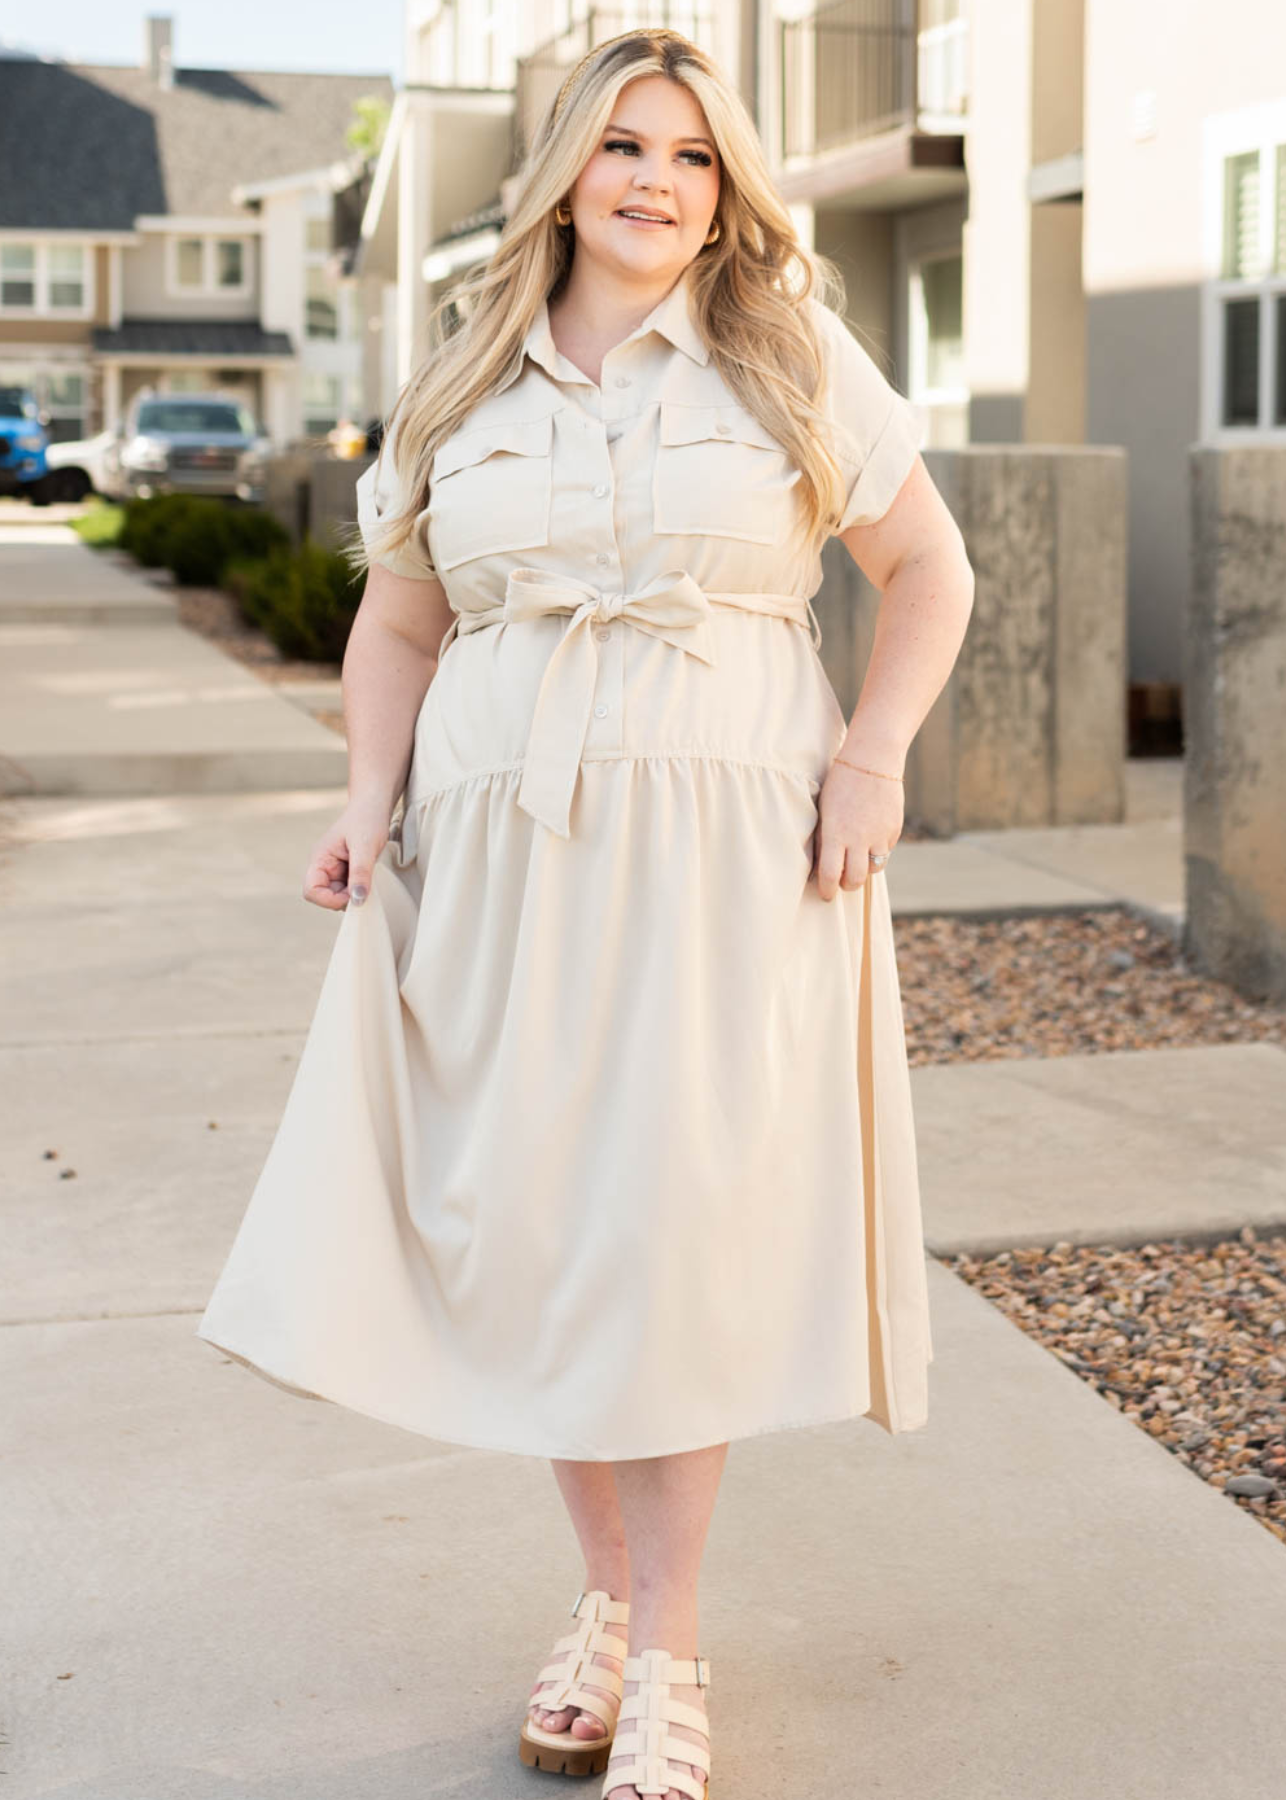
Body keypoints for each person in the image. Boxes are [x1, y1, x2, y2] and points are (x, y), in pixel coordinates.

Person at [196, 26, 974, 1800]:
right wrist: (363, 804)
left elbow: (928, 572)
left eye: (692, 158)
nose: (654, 181)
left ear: (724, 192)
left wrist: (870, 759)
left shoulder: (788, 354)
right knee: (544, 1229)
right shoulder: (457, 383)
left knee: (672, 1232)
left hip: (730, 859)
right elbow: (398, 627)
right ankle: (606, 1611)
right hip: (499, 854)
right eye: (624, 146)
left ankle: (671, 1659)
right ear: (562, 171)